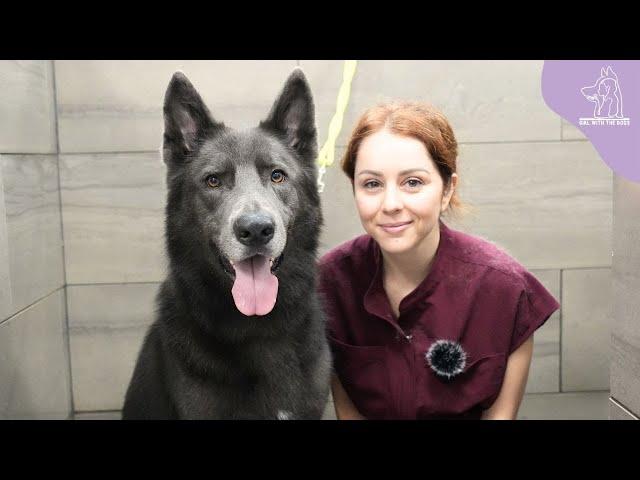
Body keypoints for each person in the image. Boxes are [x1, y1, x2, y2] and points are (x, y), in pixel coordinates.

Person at [317, 101, 560, 420]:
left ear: (447, 190)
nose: (391, 204)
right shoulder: (329, 284)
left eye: (413, 182)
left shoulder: (506, 291)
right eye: (372, 184)